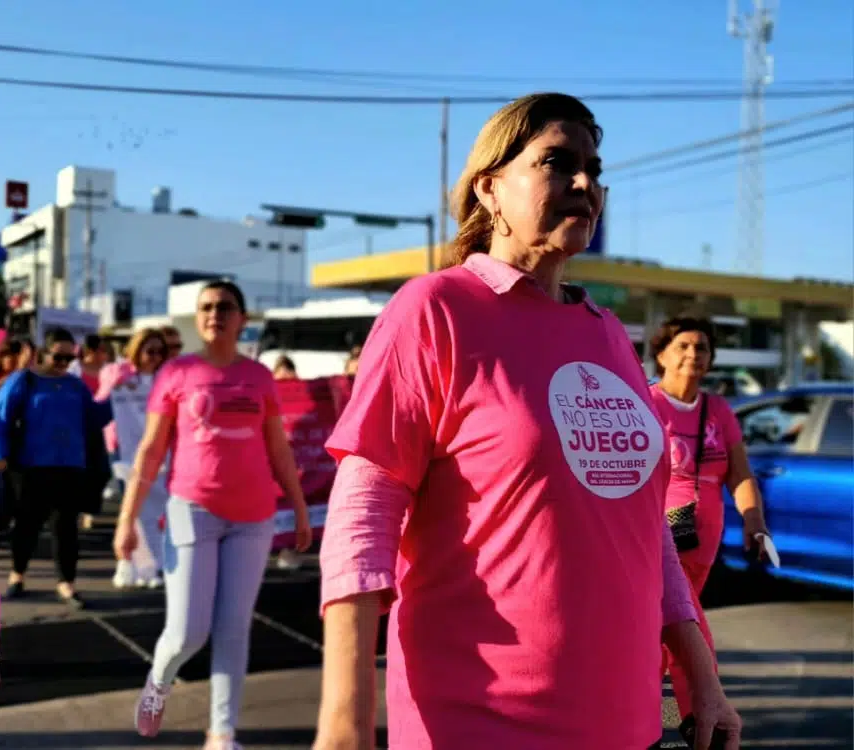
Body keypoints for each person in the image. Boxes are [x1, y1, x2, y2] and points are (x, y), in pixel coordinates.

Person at [312, 93, 742, 750]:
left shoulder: (607, 336)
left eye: (594, 170)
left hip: (627, 725)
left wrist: (700, 676)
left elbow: (643, 528)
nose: (585, 185)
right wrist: (345, 723)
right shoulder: (437, 310)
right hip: (480, 724)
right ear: (490, 188)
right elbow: (362, 516)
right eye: (557, 162)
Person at [113, 280, 314, 750]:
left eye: (225, 307)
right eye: (205, 307)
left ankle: (221, 733)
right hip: (192, 513)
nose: (214, 314)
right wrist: (127, 520)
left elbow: (279, 449)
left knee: (233, 628)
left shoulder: (260, 377)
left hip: (253, 519)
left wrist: (300, 508)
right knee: (187, 631)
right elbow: (149, 451)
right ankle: (158, 683)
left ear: (242, 318)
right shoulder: (177, 373)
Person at [649, 313, 770, 720]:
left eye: (701, 347)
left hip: (703, 544)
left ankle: (647, 713)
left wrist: (755, 522)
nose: (693, 354)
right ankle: (701, 724)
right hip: (660, 541)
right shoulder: (647, 404)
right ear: (661, 355)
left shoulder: (718, 409)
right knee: (690, 633)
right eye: (682, 346)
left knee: (665, 637)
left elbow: (739, 475)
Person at [0, 327, 112, 609]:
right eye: (58, 357)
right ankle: (18, 574)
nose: (64, 364)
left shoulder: (75, 385)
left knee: (66, 526)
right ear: (44, 353)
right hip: (30, 466)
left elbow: (94, 418)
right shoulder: (23, 381)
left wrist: (119, 393)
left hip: (70, 465)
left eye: (69, 358)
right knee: (27, 524)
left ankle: (67, 582)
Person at [98, 328, 171, 589]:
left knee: (161, 513)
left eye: (160, 352)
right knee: (135, 513)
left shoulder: (167, 378)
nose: (155, 357)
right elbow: (100, 404)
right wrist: (114, 382)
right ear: (136, 351)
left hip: (164, 455)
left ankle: (157, 565)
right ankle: (141, 566)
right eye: (149, 351)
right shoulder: (118, 375)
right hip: (127, 453)